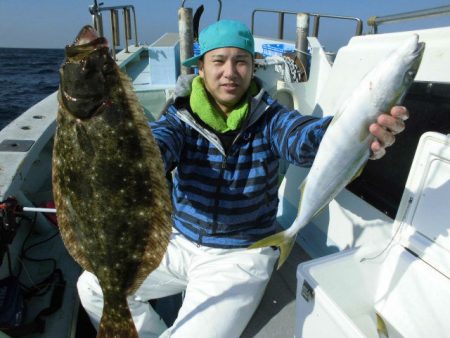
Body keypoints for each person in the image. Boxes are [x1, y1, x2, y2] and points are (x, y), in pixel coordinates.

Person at [77, 20, 409, 337]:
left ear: (252, 67)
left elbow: (303, 138)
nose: (229, 72)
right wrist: (129, 151)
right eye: (218, 60)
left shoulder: (272, 118)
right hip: (176, 241)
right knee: (92, 286)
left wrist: (356, 135)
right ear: (202, 67)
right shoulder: (178, 118)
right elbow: (156, 146)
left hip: (239, 254)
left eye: (241, 61)